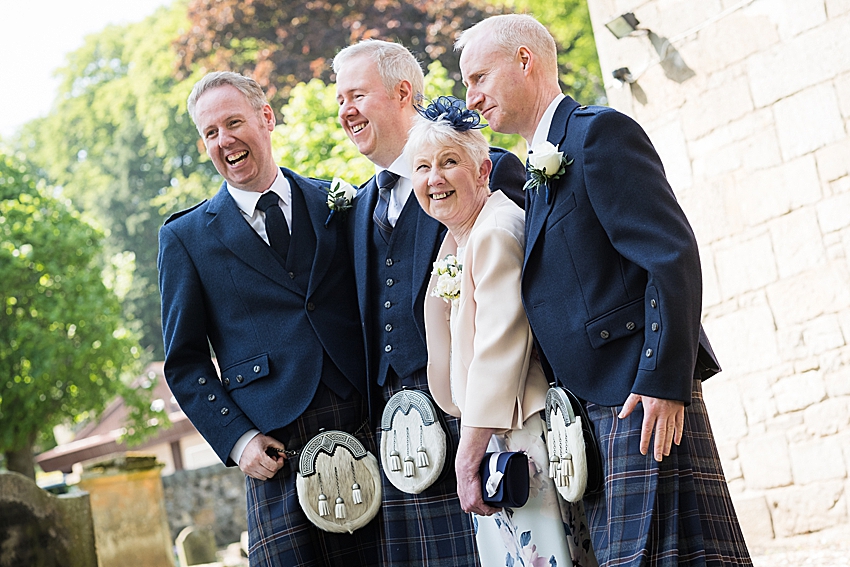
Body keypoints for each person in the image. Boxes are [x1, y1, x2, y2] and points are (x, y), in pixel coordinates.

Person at [456, 14, 752, 567]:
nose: (470, 98)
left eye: (479, 78)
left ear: (525, 61)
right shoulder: (536, 163)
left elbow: (670, 256)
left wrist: (664, 381)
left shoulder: (597, 134)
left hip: (640, 398)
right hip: (595, 414)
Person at [158, 71, 381, 566]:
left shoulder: (337, 203)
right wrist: (238, 441)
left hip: (366, 422)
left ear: (267, 117)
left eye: (233, 122)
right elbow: (185, 364)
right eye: (211, 133)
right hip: (276, 451)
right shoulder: (186, 238)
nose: (224, 141)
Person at [332, 40, 526, 566]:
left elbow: (516, 308)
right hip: (399, 440)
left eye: (356, 94)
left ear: (402, 92)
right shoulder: (359, 206)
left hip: (473, 418)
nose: (345, 110)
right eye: (339, 99)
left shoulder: (482, 172)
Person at [411, 97, 596, 567]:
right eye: (423, 167)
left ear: (483, 170)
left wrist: (467, 456)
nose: (434, 179)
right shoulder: (463, 235)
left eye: (450, 162)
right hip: (495, 435)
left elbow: (501, 349)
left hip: (518, 437)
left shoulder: (494, 230)